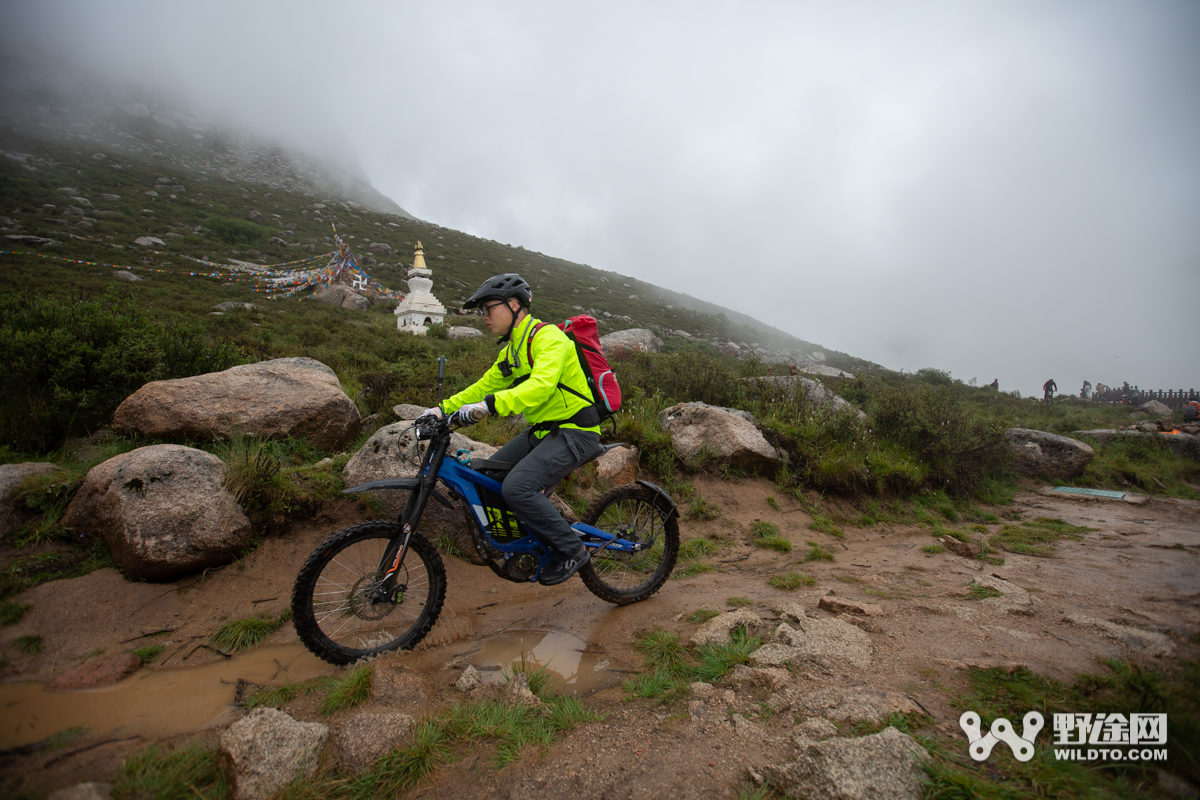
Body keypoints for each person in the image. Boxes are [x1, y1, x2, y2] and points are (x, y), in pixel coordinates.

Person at [421, 274, 602, 586]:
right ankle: (528, 541)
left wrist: (491, 406)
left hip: (577, 431)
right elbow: (483, 387)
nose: (485, 317)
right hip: (545, 430)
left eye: (489, 308)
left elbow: (540, 387)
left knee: (516, 487)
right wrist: (441, 409)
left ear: (514, 305)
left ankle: (572, 550)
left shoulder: (548, 339)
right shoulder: (512, 352)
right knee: (489, 479)